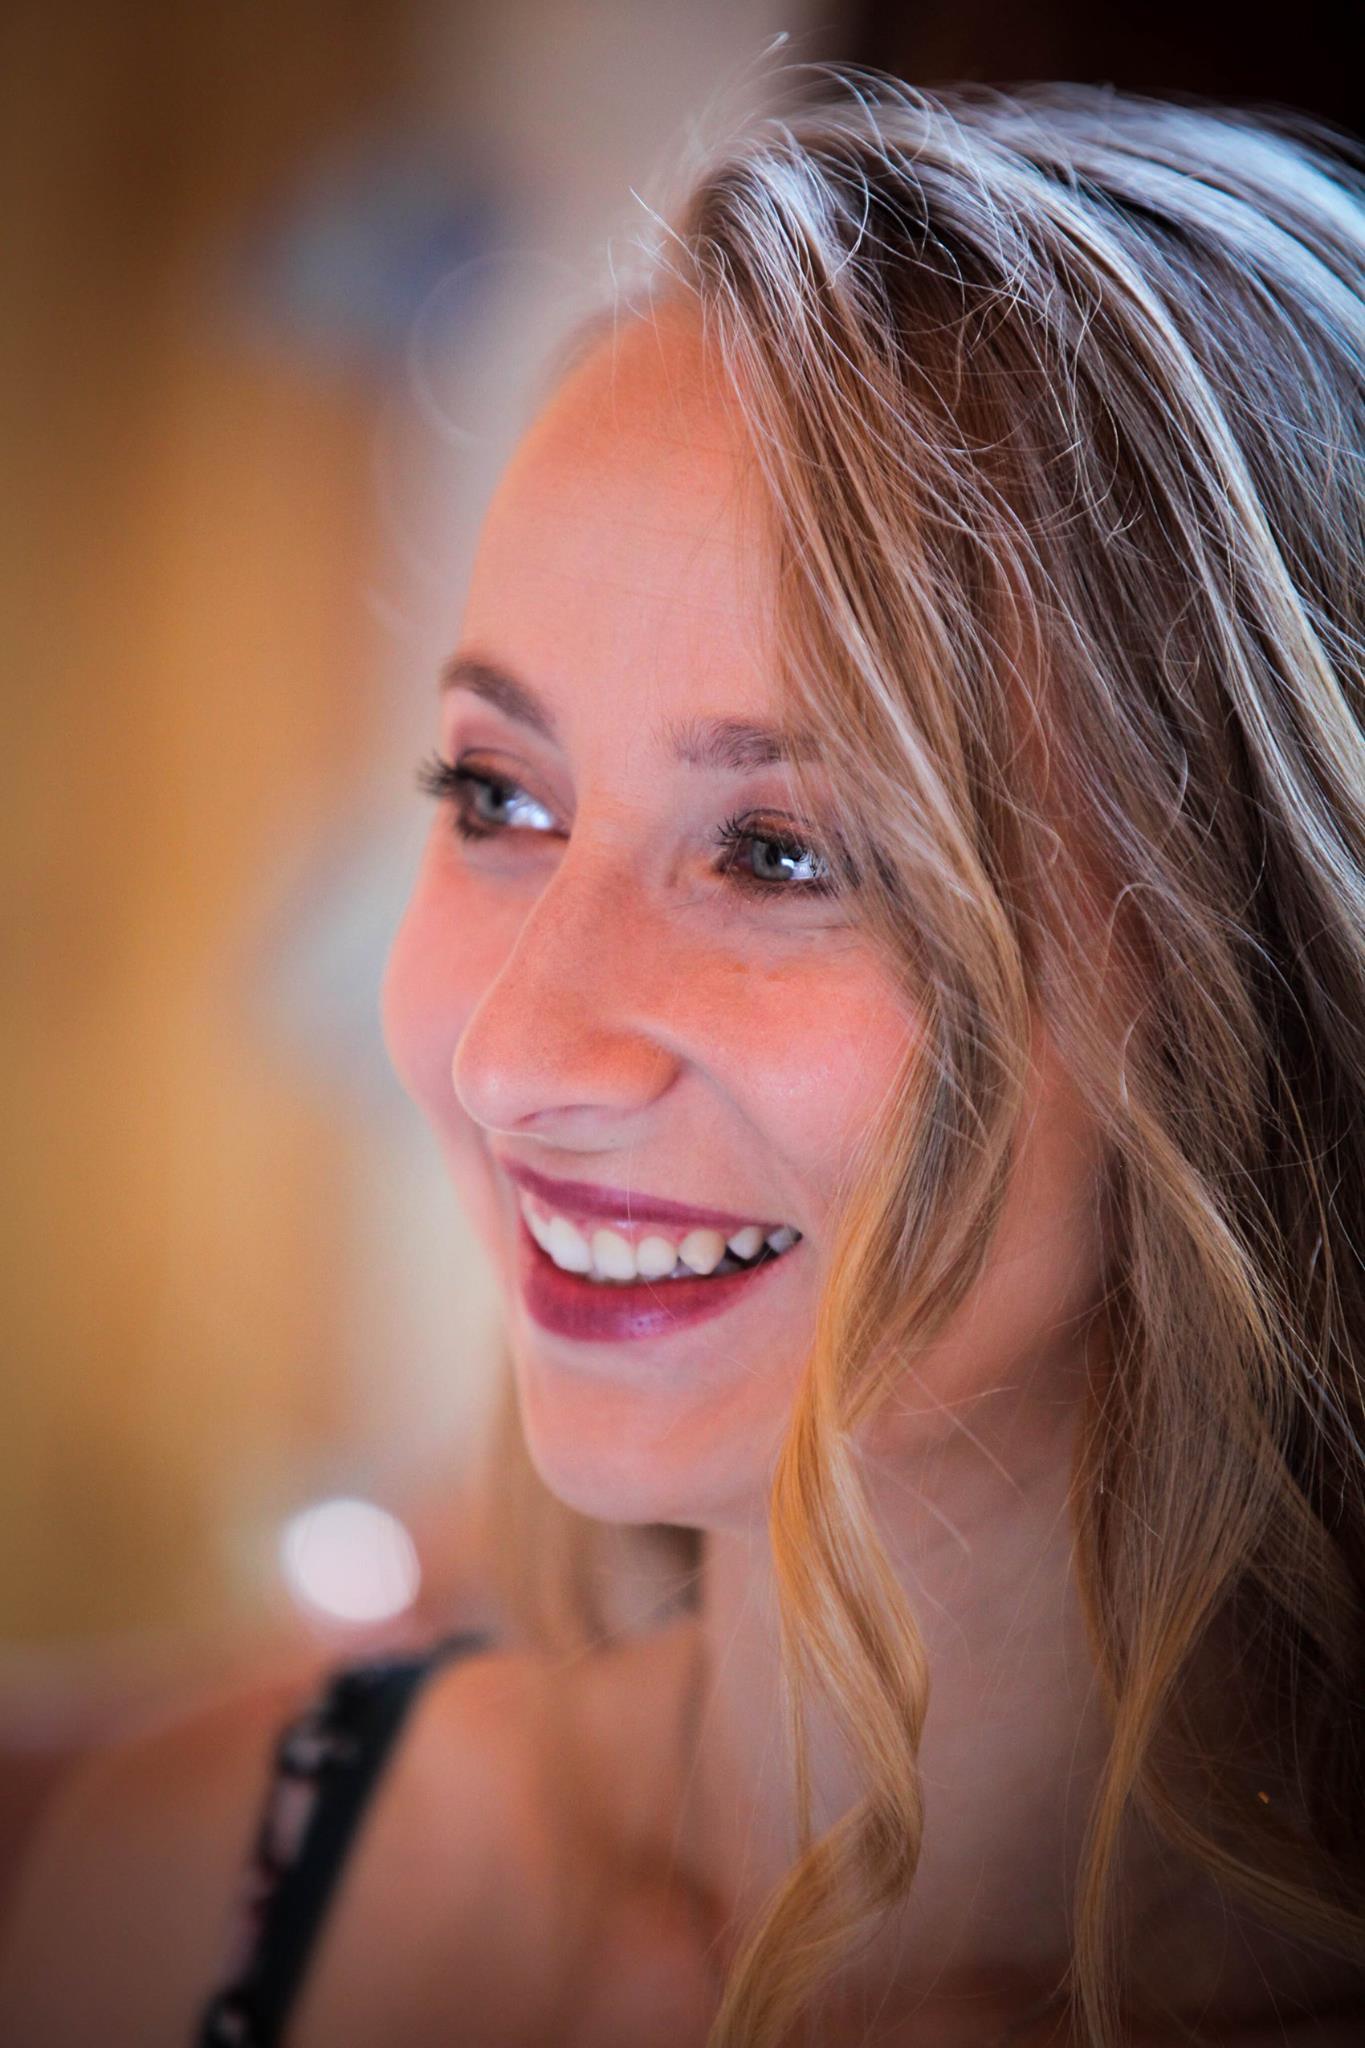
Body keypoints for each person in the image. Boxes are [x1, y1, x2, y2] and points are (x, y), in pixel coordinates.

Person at [2, 71, 1363, 2048]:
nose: (512, 1053)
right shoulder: (198, 1885)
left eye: (781, 852)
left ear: (1251, 948)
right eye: (497, 794)